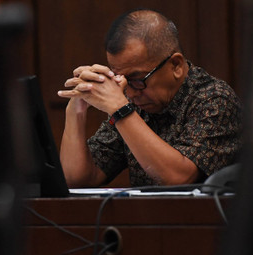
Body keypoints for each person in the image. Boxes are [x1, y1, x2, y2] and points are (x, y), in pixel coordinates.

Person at [57, 9, 242, 187]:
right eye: (120, 79)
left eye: (137, 79)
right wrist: (77, 108)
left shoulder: (215, 99)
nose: (129, 92)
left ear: (176, 65)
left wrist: (122, 111)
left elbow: (179, 178)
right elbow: (76, 179)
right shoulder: (131, 104)